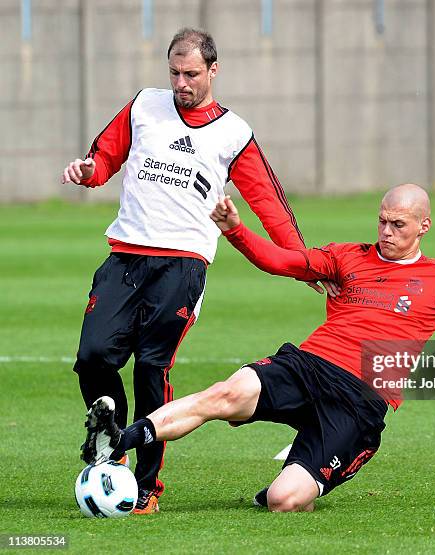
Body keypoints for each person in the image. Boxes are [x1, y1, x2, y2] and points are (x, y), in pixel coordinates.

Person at [80, 184, 435, 513]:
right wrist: (237, 230)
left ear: (423, 226)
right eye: (381, 220)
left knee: (285, 502)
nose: (386, 231)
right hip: (308, 365)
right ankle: (118, 440)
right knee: (227, 392)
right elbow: (281, 263)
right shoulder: (347, 257)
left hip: (359, 401)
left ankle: (302, 470)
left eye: (398, 224)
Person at [61, 28, 337, 515]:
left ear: (214, 70)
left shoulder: (234, 133)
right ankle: (113, 443)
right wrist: (89, 171)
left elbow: (269, 204)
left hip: (183, 265)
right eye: (174, 72)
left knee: (152, 368)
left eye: (191, 74)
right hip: (125, 256)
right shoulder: (144, 104)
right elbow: (105, 157)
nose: (181, 83)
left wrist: (301, 262)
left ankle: (145, 488)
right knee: (93, 356)